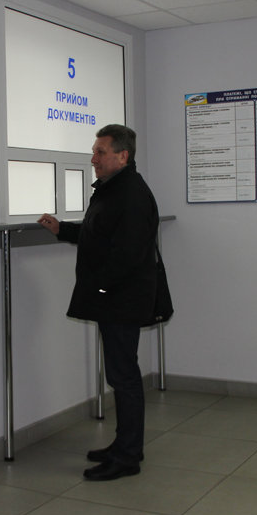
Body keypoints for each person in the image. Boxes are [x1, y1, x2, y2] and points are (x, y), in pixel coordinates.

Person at [37, 124, 160, 481]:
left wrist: (102, 289)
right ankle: (124, 445)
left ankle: (128, 456)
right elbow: (98, 236)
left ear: (122, 156)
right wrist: (62, 229)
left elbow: (127, 255)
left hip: (121, 300)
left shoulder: (130, 195)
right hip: (115, 298)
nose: (93, 159)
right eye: (94, 152)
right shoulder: (113, 189)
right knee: (121, 374)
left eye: (100, 152)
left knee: (124, 377)